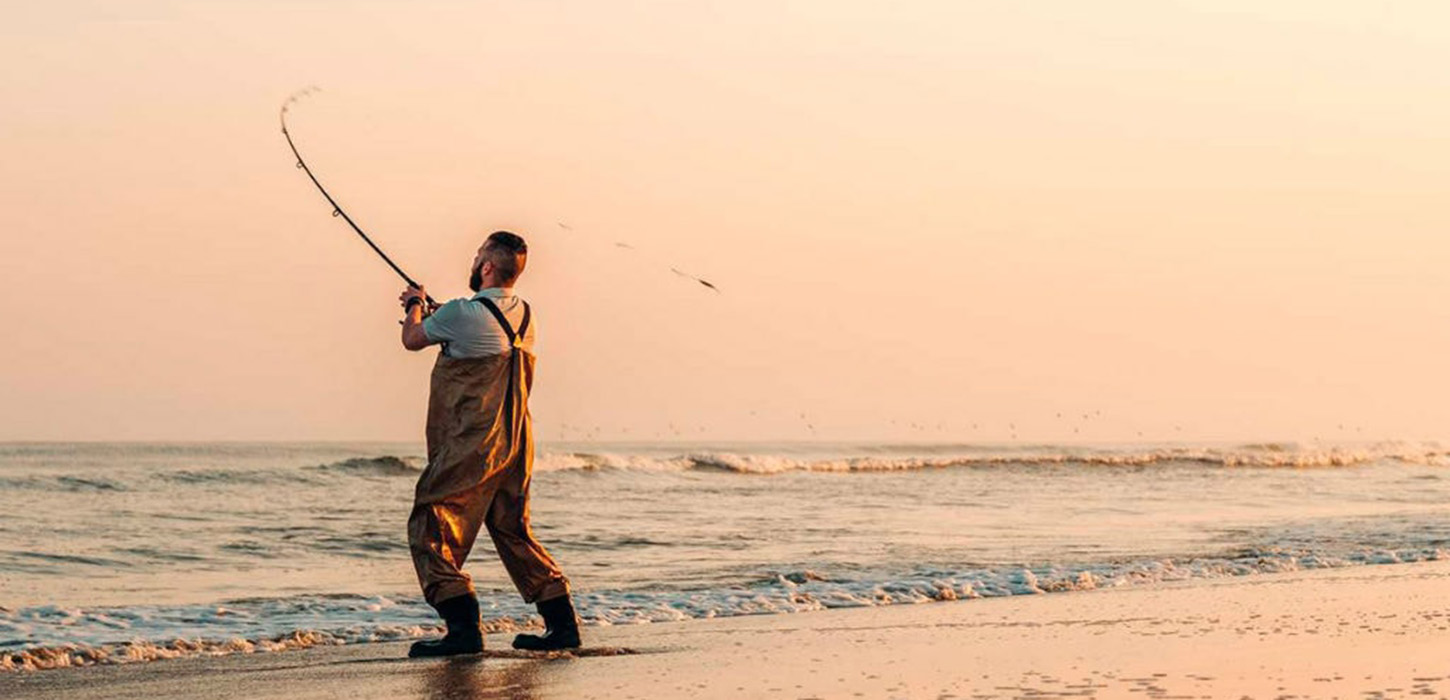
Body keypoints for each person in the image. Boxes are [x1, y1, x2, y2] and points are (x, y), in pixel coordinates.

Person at [397, 230, 581, 657]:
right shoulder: (526, 315)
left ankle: (463, 628)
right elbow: (480, 334)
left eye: (478, 253)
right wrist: (438, 315)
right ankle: (563, 625)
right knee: (511, 527)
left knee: (429, 521)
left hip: (473, 442)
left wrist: (414, 305)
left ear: (485, 266)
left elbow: (412, 339)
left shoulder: (463, 312)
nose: (474, 258)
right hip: (517, 441)